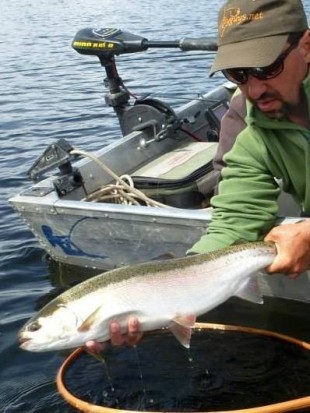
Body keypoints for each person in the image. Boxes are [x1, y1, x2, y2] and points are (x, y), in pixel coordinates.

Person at [86, 0, 310, 352]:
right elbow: (235, 220)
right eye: (238, 74)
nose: (253, 90)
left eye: (266, 67)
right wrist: (169, 294)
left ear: (307, 46)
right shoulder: (247, 127)